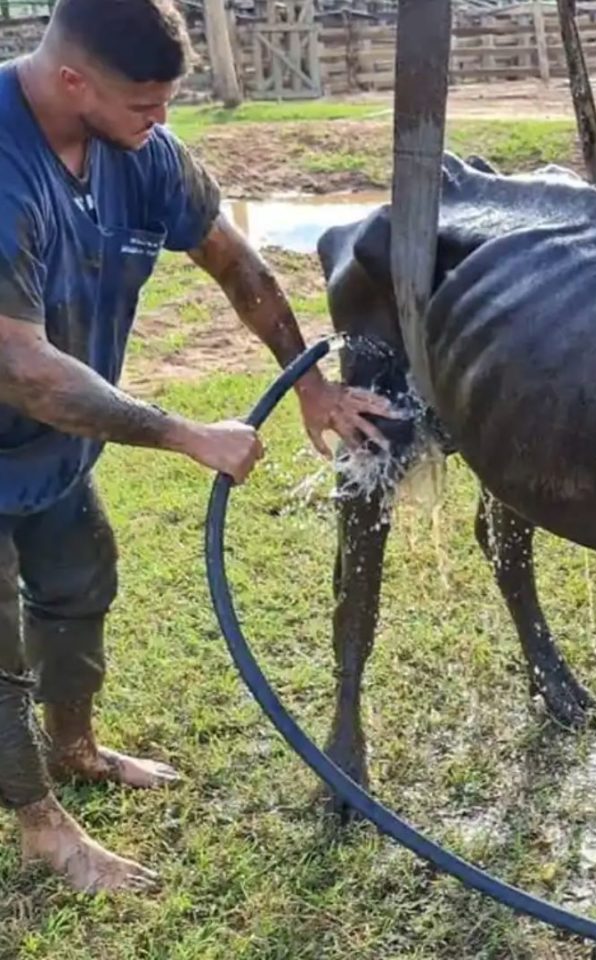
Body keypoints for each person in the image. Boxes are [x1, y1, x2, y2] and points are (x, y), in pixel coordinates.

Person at [0, 0, 392, 892]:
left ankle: (75, 751)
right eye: (145, 104)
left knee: (78, 586)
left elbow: (235, 263)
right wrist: (185, 433)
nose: (163, 121)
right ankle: (39, 825)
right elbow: (20, 366)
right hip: (20, 404)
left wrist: (310, 383)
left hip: (51, 445)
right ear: (72, 82)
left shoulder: (143, 154)